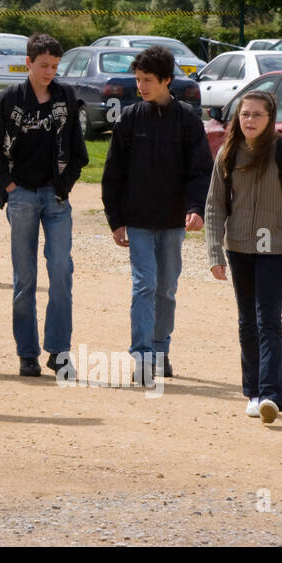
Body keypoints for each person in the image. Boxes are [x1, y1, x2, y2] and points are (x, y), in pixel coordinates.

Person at [102, 45, 213, 387]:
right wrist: (115, 219)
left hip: (172, 222)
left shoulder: (188, 120)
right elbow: (113, 174)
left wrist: (196, 209)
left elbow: (201, 171)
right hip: (136, 221)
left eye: (147, 80)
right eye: (138, 80)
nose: (141, 86)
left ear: (167, 80)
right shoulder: (131, 119)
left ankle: (161, 349)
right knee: (144, 286)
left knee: (166, 288)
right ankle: (142, 357)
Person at [205, 90, 282, 423]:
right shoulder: (227, 153)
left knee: (269, 321)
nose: (250, 120)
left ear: (270, 119)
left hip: (275, 249)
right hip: (238, 248)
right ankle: (252, 392)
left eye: (257, 115)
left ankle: (271, 395)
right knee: (247, 322)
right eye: (245, 114)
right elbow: (214, 206)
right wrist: (214, 252)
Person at [0, 34, 89, 379]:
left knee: (61, 272)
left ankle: (59, 352)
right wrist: (12, 187)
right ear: (28, 62)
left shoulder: (66, 97)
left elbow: (78, 153)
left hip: (56, 196)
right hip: (22, 196)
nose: (49, 72)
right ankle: (27, 353)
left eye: (55, 66)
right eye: (43, 65)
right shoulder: (8, 99)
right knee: (24, 278)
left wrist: (65, 185)